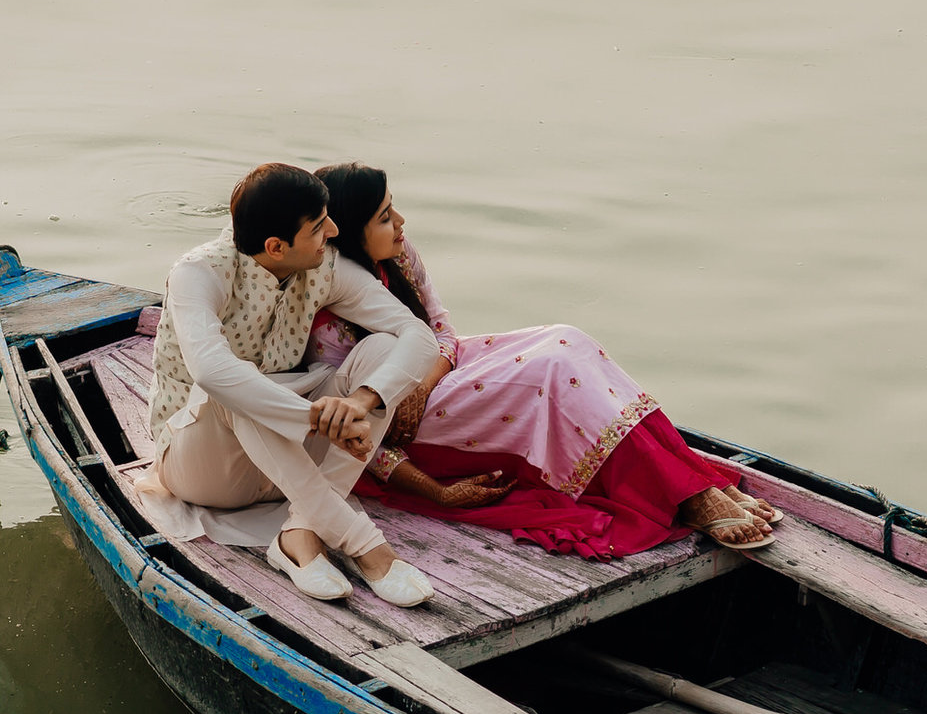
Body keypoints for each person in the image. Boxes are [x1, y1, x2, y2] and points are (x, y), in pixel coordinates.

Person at [305, 163, 777, 559]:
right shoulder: (324, 320)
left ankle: (686, 480)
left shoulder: (399, 256)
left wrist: (424, 381)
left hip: (438, 378)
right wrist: (432, 489)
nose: (402, 222)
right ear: (349, 231)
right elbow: (352, 434)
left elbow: (442, 330)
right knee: (549, 374)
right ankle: (688, 495)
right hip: (409, 427)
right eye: (386, 217)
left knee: (567, 340)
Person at [148, 162, 443, 606]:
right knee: (231, 381)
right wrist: (314, 420)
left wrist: (361, 403)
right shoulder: (199, 272)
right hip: (204, 467)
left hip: (288, 461)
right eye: (320, 225)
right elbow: (211, 372)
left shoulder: (324, 266)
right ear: (276, 246)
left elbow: (418, 335)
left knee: (382, 348)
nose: (335, 230)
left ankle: (299, 534)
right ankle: (366, 546)